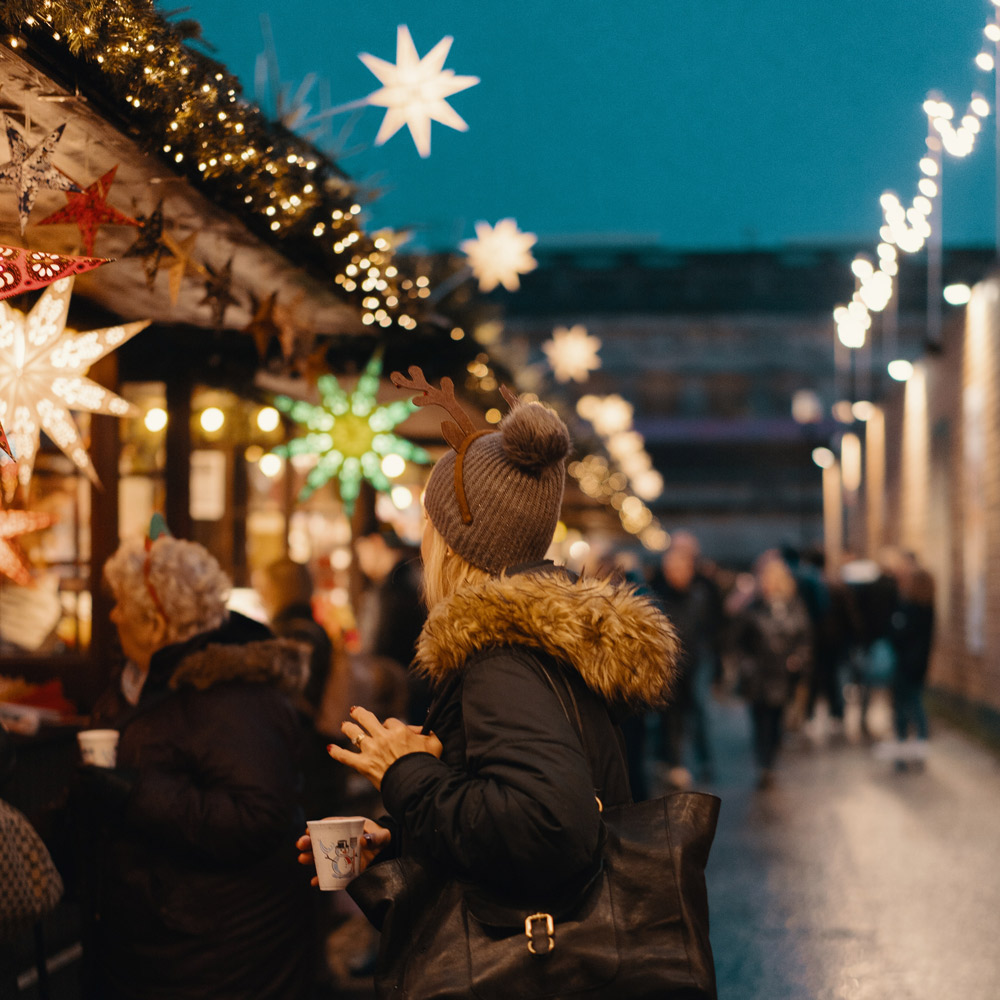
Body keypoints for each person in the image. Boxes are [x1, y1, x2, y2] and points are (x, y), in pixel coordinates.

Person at [298, 372, 680, 983]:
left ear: (453, 544)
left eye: (429, 524)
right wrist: (398, 837)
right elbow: (505, 809)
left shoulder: (501, 657)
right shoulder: (539, 640)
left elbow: (549, 828)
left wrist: (406, 772)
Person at [80, 528, 315, 999]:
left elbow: (258, 817)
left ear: (156, 623)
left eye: (122, 603)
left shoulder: (233, 696)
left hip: (216, 959)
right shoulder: (143, 682)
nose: (113, 615)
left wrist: (135, 794)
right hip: (163, 947)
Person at [735, 552, 812, 788]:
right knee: (760, 721)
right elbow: (739, 640)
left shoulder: (794, 606)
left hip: (782, 675)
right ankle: (764, 764)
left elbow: (805, 637)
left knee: (776, 720)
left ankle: (770, 760)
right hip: (759, 674)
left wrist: (798, 658)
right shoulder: (753, 607)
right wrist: (746, 665)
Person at [649, 531, 718, 787]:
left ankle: (704, 762)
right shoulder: (658, 592)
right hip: (669, 665)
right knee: (671, 717)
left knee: (699, 714)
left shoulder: (703, 590)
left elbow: (712, 626)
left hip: (696, 661)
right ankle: (673, 762)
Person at [353, 523, 428, 724]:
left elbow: (379, 647)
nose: (360, 562)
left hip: (401, 696)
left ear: (376, 543)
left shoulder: (395, 589)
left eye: (361, 552)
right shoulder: (412, 579)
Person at [887, 557, 935, 769]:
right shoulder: (929, 608)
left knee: (903, 710)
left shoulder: (908, 608)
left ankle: (902, 753)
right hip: (919, 665)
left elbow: (897, 635)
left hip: (905, 665)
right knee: (916, 706)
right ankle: (919, 750)